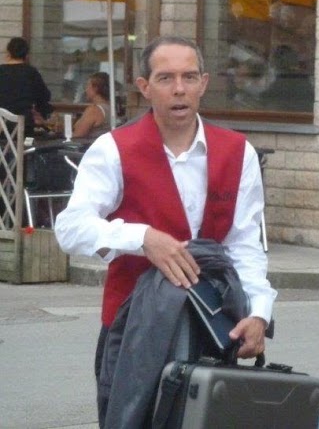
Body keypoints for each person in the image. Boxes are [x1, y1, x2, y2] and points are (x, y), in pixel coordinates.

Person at [54, 35, 276, 426]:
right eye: (165, 78)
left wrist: (259, 314)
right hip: (132, 331)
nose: (179, 89)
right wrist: (141, 238)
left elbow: (245, 245)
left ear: (204, 83)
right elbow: (69, 228)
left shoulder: (238, 152)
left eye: (189, 77)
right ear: (144, 87)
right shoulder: (113, 149)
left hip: (213, 324)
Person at [0, 36, 53, 135]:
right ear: (27, 55)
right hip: (24, 126)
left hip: (1, 127)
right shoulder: (31, 72)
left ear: (8, 52)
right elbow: (44, 96)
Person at [72, 71, 112, 139]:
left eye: (88, 86)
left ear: (95, 88)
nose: (86, 89)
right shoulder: (111, 107)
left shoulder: (94, 110)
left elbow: (77, 135)